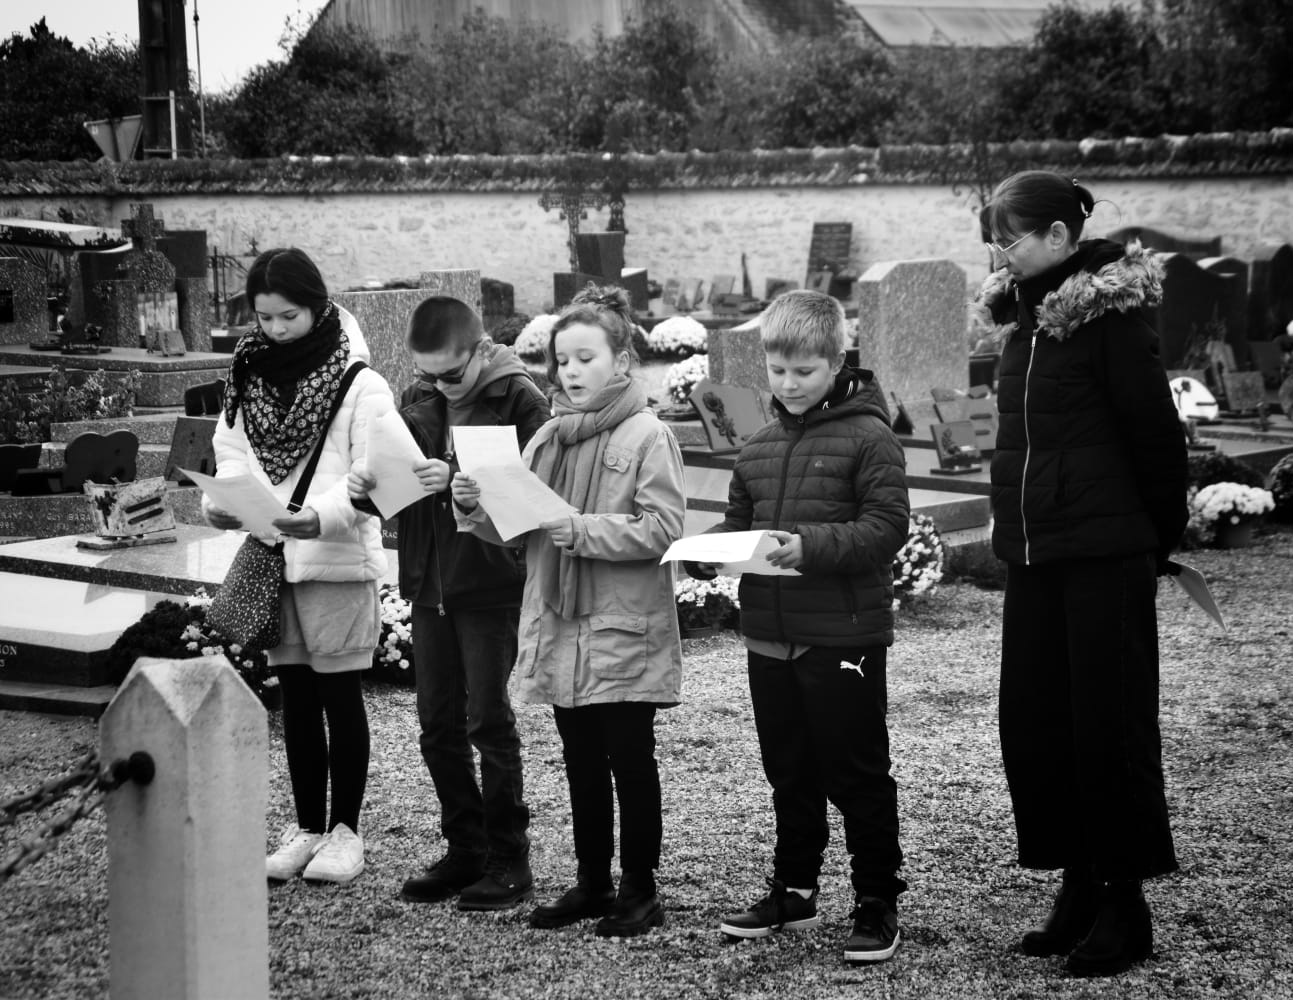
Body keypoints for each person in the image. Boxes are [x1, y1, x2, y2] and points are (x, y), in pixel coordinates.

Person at [976, 170, 1188, 977]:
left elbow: (1153, 435)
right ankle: (1073, 882)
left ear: (1059, 237)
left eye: (1012, 235)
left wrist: (1150, 540)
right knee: (1036, 724)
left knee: (1107, 727)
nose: (1000, 250)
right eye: (994, 236)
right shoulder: (1025, 318)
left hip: (1104, 552)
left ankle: (1123, 899)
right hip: (1035, 553)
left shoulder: (1107, 316)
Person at [450, 285, 686, 938]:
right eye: (562, 359)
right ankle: (591, 882)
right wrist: (474, 502)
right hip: (559, 621)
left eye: (586, 357)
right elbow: (514, 529)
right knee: (580, 760)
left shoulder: (648, 434)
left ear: (621, 362)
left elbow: (663, 528)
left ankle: (640, 890)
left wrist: (580, 530)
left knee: (629, 760)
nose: (571, 371)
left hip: (621, 626)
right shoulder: (548, 438)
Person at [689, 289, 910, 964]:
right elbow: (739, 525)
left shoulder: (869, 435)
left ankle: (876, 900)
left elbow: (885, 528)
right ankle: (794, 888)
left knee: (856, 773)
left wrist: (807, 545)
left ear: (836, 360)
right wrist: (703, 555)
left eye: (802, 372)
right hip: (768, 635)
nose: (787, 384)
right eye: (777, 370)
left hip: (841, 636)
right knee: (788, 771)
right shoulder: (756, 445)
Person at [348, 296, 548, 910]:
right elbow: (394, 492)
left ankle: (509, 857)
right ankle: (465, 849)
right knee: (436, 727)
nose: (439, 384)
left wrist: (458, 478)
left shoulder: (521, 400)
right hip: (428, 584)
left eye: (451, 373)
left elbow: (535, 500)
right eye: (427, 373)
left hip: (490, 583)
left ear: (481, 348)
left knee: (488, 721)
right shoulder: (419, 401)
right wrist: (363, 490)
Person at [206, 247, 394, 885]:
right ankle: (307, 827)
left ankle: (347, 832)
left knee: (340, 696)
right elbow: (229, 448)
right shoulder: (247, 373)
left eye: (289, 316)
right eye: (265, 317)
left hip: (334, 558)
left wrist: (319, 518)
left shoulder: (359, 382)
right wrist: (222, 502)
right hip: (272, 557)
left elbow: (374, 473)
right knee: (297, 700)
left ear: (317, 305)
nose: (277, 329)